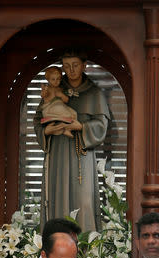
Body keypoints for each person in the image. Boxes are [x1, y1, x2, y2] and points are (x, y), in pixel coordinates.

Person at [34, 49, 110, 232]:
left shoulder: (94, 93)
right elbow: (39, 119)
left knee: (83, 199)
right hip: (57, 154)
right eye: (67, 66)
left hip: (81, 154)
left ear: (84, 66)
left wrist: (81, 127)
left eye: (75, 65)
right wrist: (47, 130)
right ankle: (56, 247)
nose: (71, 70)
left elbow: (101, 125)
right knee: (57, 197)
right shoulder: (55, 89)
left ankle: (85, 253)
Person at [40, 66, 78, 138]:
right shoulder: (48, 89)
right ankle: (60, 129)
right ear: (48, 79)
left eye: (58, 79)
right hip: (49, 109)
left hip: (60, 107)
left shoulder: (60, 89)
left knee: (74, 113)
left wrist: (62, 96)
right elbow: (43, 95)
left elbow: (66, 100)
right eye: (53, 79)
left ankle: (67, 129)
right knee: (63, 111)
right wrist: (44, 92)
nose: (56, 81)